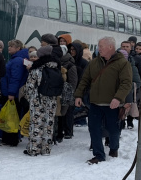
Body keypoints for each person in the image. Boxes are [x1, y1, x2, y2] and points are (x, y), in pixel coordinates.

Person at [74, 37, 133, 165]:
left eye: (101, 46)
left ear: (110, 47)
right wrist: (78, 95)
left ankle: (114, 148)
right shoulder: (94, 63)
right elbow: (85, 80)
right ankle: (98, 155)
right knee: (93, 128)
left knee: (113, 129)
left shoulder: (123, 64)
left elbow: (126, 83)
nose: (98, 48)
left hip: (112, 104)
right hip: (95, 103)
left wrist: (118, 98)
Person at [23, 34, 60, 156]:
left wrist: (28, 98)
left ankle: (34, 149)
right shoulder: (56, 67)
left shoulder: (36, 69)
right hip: (52, 100)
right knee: (48, 124)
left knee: (36, 124)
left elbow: (29, 87)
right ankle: (46, 149)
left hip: (37, 100)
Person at [0, 39, 29, 146]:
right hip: (13, 93)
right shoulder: (17, 59)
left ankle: (10, 140)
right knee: (12, 116)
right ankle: (10, 139)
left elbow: (15, 78)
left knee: (11, 117)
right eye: (9, 46)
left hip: (12, 94)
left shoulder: (17, 61)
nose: (9, 48)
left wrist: (11, 93)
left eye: (11, 46)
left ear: (18, 48)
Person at [55, 44, 78, 141]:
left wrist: (69, 94)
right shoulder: (55, 62)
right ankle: (57, 133)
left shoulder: (70, 65)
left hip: (65, 93)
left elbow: (73, 81)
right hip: (56, 92)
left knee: (64, 113)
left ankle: (64, 132)